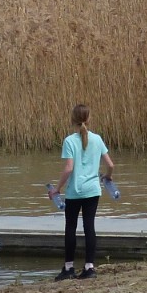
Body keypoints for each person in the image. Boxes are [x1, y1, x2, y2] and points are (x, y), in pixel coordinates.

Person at [52, 103, 114, 280]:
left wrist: (57, 189)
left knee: (70, 228)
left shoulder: (69, 141)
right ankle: (89, 268)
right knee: (89, 227)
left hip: (75, 191)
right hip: (93, 190)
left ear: (72, 120)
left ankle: (69, 268)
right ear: (89, 119)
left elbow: (69, 168)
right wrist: (108, 177)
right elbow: (110, 165)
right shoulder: (97, 139)